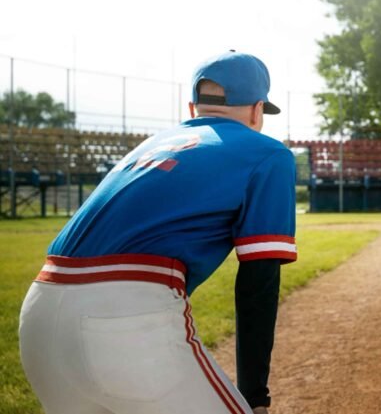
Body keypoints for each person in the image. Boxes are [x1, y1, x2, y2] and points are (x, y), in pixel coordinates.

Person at [18, 51, 295, 414]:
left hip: (38, 320)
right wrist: (254, 397)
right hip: (122, 320)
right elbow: (258, 283)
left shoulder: (149, 145)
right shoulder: (267, 153)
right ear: (258, 110)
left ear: (193, 107)